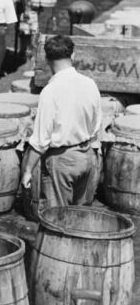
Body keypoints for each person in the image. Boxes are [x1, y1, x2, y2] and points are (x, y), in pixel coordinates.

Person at [21, 34, 101, 208]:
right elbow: (96, 126)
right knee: (80, 216)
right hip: (87, 157)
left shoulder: (50, 91)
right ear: (73, 56)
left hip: (62, 161)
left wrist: (27, 171)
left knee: (57, 219)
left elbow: (41, 140)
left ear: (47, 59)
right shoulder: (90, 84)